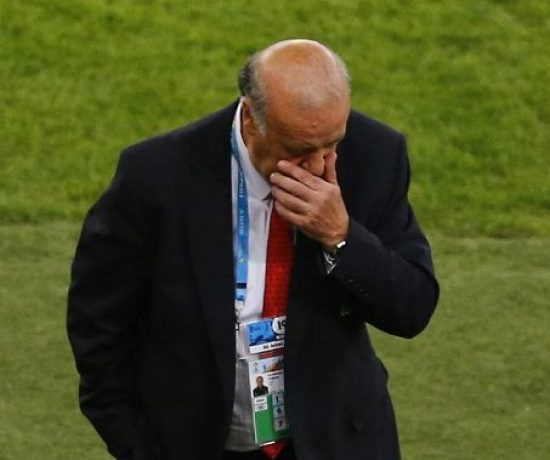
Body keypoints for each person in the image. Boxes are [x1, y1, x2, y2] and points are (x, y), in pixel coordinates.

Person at [67, 39, 439, 460]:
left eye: (332, 143)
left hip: (334, 443)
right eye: (300, 151)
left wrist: (341, 235)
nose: (320, 166)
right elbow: (97, 320)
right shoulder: (156, 177)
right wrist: (134, 444)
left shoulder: (374, 156)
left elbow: (412, 308)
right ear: (251, 121)